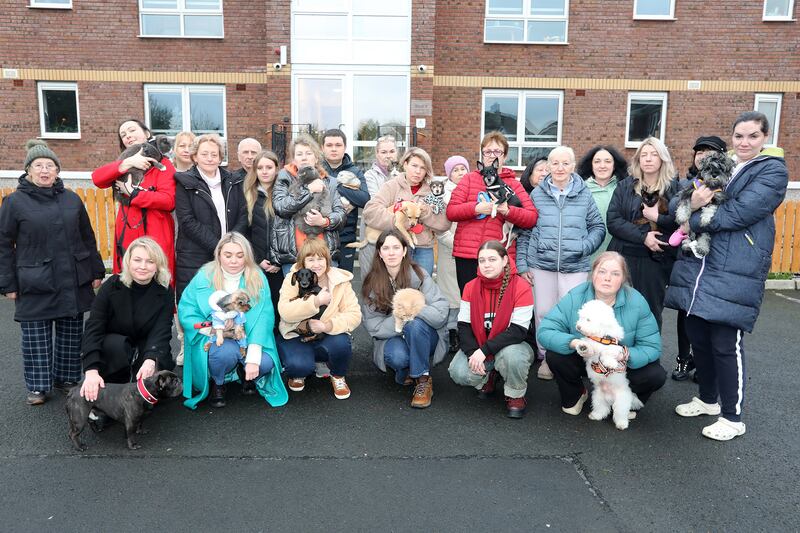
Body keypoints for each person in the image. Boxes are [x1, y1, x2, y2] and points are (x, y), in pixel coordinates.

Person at [667, 111, 788, 441]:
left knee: (725, 342)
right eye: (739, 136)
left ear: (765, 138)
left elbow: (739, 212)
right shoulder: (723, 163)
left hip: (735, 265)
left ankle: (732, 416)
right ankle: (707, 399)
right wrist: (692, 200)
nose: (745, 142)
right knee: (697, 335)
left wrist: (691, 220)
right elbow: (682, 198)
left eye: (752, 136)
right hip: (700, 264)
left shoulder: (772, 171)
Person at [0, 140, 105, 405]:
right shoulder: (14, 202)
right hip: (34, 280)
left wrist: (95, 269)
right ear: (28, 170)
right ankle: (38, 387)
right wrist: (7, 283)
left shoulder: (72, 198)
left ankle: (66, 378)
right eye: (39, 165)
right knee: (36, 337)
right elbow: (3, 244)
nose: (45, 170)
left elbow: (87, 237)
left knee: (71, 333)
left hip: (72, 278)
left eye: (50, 165)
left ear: (57, 170)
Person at [538, 252, 666, 418]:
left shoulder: (636, 301)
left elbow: (652, 346)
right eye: (602, 271)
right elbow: (546, 330)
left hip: (619, 364)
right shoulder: (576, 295)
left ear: (623, 279)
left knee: (655, 375)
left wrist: (624, 354)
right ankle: (577, 393)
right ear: (593, 274)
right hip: (585, 358)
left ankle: (626, 400)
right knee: (555, 355)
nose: (607, 278)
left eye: (615, 274)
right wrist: (575, 343)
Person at [516, 146, 605, 380]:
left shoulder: (584, 193)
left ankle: (569, 359)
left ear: (573, 166)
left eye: (565, 163)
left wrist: (583, 247)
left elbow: (598, 227)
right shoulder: (537, 194)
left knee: (573, 315)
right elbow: (525, 230)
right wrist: (523, 265)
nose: (559, 168)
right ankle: (546, 358)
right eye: (554, 163)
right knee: (543, 313)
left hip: (574, 265)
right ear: (548, 167)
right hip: (540, 264)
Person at [178, 232, 287, 409]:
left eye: (239, 255)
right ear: (219, 255)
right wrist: (211, 328)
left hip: (249, 337)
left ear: (247, 256)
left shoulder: (258, 277)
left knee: (264, 362)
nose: (233, 261)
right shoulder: (205, 275)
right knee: (223, 353)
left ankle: (244, 371)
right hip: (217, 337)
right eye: (228, 255)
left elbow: (264, 319)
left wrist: (252, 358)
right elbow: (186, 309)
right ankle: (218, 383)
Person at [79, 238, 174, 406]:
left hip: (148, 345)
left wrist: (151, 359)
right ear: (128, 261)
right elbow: (94, 327)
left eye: (150, 261)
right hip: (115, 345)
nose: (143, 266)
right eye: (137, 260)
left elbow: (162, 329)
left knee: (149, 394)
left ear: (158, 265)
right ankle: (112, 385)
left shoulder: (164, 289)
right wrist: (91, 370)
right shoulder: (111, 286)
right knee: (114, 346)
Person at [361, 230, 449, 409]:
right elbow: (373, 326)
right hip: (392, 335)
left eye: (396, 247)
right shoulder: (371, 282)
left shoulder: (420, 274)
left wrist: (413, 311)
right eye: (386, 248)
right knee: (398, 357)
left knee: (414, 326)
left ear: (404, 251)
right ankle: (407, 368)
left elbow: (440, 312)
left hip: (424, 333)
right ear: (379, 253)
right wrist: (399, 318)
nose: (391, 253)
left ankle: (422, 379)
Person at [448, 241, 535, 418]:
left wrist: (484, 351)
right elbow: (464, 326)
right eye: (482, 260)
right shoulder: (470, 287)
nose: (486, 264)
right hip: (480, 345)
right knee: (458, 372)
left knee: (512, 357)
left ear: (504, 260)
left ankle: (515, 394)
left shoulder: (521, 286)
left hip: (514, 345)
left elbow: (518, 331)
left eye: (492, 259)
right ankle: (488, 376)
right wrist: (474, 353)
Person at [446, 131, 538, 293]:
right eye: (488, 152)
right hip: (469, 255)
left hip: (500, 256)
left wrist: (507, 211)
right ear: (482, 155)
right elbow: (451, 211)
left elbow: (531, 218)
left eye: (497, 152)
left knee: (499, 306)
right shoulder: (469, 179)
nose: (492, 156)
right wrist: (476, 208)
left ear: (504, 156)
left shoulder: (513, 185)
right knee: (470, 303)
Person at [606, 137, 679, 331]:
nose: (648, 159)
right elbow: (613, 221)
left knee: (650, 311)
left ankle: (648, 357)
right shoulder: (625, 186)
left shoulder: (674, 189)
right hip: (623, 256)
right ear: (638, 160)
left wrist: (657, 228)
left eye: (654, 154)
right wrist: (643, 236)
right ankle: (614, 358)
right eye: (644, 155)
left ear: (663, 159)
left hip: (655, 261)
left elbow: (680, 224)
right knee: (617, 310)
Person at [670, 135, 727, 382]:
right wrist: (692, 204)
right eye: (699, 152)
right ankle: (684, 359)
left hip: (716, 257)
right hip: (688, 256)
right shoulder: (688, 182)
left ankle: (704, 363)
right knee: (686, 312)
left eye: (709, 151)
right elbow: (674, 206)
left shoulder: (728, 182)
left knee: (710, 313)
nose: (702, 155)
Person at [276, 239, 362, 399]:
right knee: (299, 366)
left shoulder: (341, 281)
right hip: (296, 334)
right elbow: (285, 311)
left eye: (320, 259)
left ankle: (337, 375)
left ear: (327, 260)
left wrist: (327, 325)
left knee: (341, 343)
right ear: (303, 262)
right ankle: (301, 370)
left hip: (326, 334)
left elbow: (354, 314)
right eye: (310, 259)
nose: (316, 264)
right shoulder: (292, 279)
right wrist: (315, 301)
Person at [92, 118, 176, 278]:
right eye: (123, 135)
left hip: (156, 234)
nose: (127, 136)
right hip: (127, 233)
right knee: (127, 285)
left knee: (158, 284)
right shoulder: (122, 165)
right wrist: (127, 162)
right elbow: (97, 179)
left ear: (147, 133)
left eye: (132, 130)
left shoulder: (163, 164)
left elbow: (168, 201)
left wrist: (134, 194)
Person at [174, 133, 248, 301]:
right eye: (204, 154)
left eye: (214, 155)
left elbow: (243, 215)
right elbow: (187, 221)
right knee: (198, 303)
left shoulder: (234, 181)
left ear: (220, 158)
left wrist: (231, 243)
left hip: (230, 254)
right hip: (195, 254)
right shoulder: (184, 182)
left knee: (229, 305)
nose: (209, 158)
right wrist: (219, 247)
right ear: (195, 156)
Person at [362, 147, 451, 276]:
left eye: (423, 168)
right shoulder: (391, 186)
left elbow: (444, 223)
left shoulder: (433, 190)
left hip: (424, 249)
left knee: (423, 288)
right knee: (396, 290)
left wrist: (426, 214)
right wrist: (397, 221)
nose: (418, 171)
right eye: (414, 165)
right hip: (396, 248)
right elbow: (370, 211)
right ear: (405, 164)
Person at [272, 134, 346, 275]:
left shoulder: (330, 182)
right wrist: (309, 190)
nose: (304, 157)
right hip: (294, 255)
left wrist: (324, 221)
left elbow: (341, 215)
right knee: (295, 296)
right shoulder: (283, 177)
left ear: (316, 157)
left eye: (308, 153)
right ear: (294, 159)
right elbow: (280, 207)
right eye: (299, 154)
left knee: (327, 296)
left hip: (324, 254)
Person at [321, 128, 369, 273]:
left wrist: (335, 184)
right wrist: (349, 191)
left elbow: (364, 199)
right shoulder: (316, 170)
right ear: (322, 148)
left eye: (338, 145)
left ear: (345, 147)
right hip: (320, 238)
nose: (334, 149)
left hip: (346, 239)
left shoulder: (355, 171)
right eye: (329, 145)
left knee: (344, 285)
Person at [244, 150, 284, 321]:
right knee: (257, 307)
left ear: (277, 169)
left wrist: (278, 259)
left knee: (278, 307)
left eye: (269, 167)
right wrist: (258, 258)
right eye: (260, 167)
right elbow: (244, 232)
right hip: (256, 263)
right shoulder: (248, 194)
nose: (265, 171)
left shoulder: (284, 194)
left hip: (280, 263)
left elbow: (288, 230)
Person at [436, 155, 470, 353]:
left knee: (464, 293)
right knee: (449, 293)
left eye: (463, 169)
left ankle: (462, 331)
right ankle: (450, 333)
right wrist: (455, 243)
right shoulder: (442, 193)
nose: (460, 173)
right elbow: (439, 227)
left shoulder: (473, 189)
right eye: (455, 170)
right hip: (450, 249)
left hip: (468, 250)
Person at [577, 145, 628, 264]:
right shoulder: (580, 188)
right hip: (586, 255)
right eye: (597, 161)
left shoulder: (625, 188)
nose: (602, 166)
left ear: (614, 165)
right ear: (591, 165)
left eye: (608, 161)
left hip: (618, 252)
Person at [359, 135, 399, 277]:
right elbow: (376, 202)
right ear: (377, 154)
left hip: (395, 231)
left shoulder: (402, 174)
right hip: (373, 229)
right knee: (371, 275)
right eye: (383, 152)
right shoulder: (370, 175)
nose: (388, 156)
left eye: (391, 151)